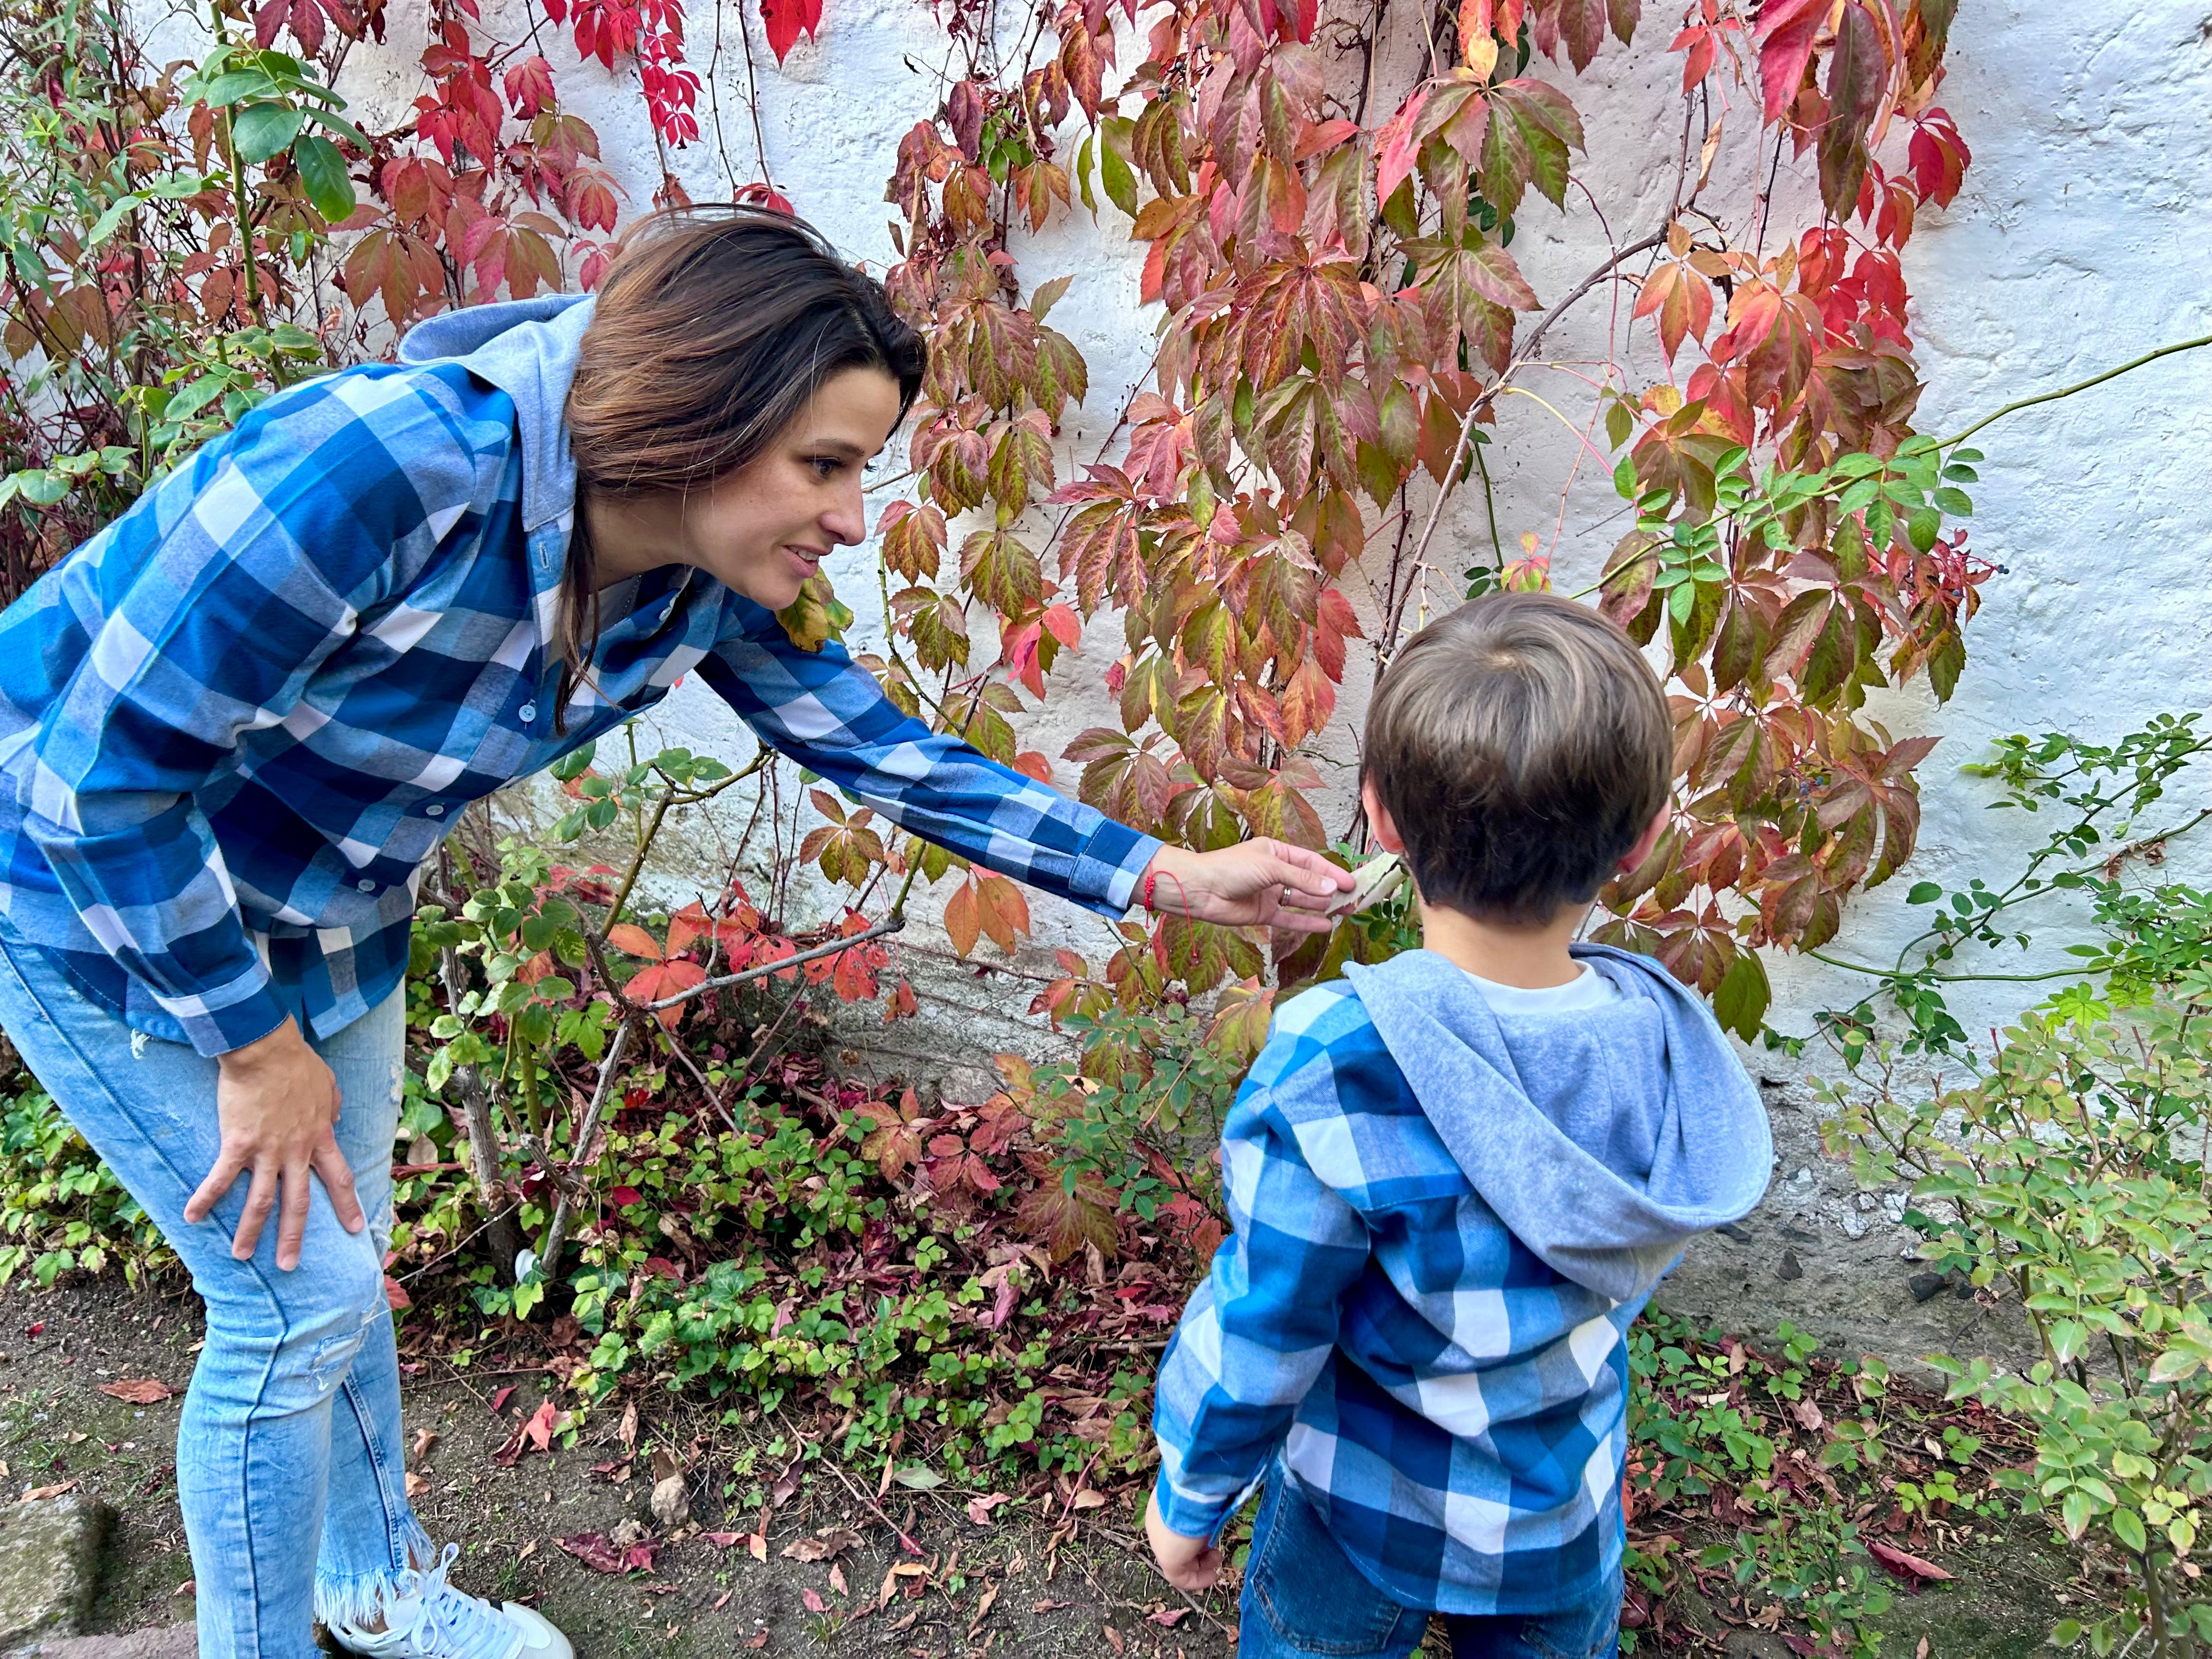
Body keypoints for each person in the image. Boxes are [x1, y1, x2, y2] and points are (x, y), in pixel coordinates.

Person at [0, 205, 1353, 1659]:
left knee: (343, 1267)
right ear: (704, 414)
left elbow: (887, 752)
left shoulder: (697, 574)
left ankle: (371, 1583)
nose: (848, 518)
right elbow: (96, 783)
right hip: (94, 895)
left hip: (327, 910)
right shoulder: (378, 466)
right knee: (295, 1311)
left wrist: (1165, 878)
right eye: (824, 466)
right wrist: (256, 1050)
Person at [1142, 592, 1774, 1659]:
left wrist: (1191, 1494)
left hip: (1359, 1517)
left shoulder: (1342, 1055)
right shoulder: (1661, 1040)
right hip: (1558, 1522)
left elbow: (1268, 1313)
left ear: (1380, 817)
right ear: (1644, 840)